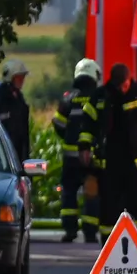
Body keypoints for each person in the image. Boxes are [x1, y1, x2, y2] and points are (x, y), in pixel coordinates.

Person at [82, 63, 137, 241]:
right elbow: (87, 125)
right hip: (109, 161)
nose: (122, 89)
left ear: (129, 79)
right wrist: (84, 147)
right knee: (109, 207)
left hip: (136, 161)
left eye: (124, 85)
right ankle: (107, 244)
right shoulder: (100, 96)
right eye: (118, 86)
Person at [53, 58, 101, 243]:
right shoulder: (98, 97)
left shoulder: (68, 98)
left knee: (69, 193)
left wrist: (69, 139)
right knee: (92, 192)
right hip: (91, 156)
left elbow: (58, 124)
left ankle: (70, 230)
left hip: (70, 157)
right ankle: (90, 232)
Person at [0, 58, 31, 164]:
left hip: (17, 156)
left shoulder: (19, 99)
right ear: (10, 77)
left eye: (23, 77)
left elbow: (24, 132)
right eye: (19, 77)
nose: (22, 81)